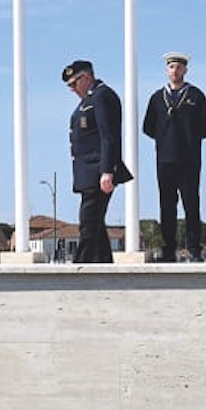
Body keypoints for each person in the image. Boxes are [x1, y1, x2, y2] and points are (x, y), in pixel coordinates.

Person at [141, 51, 206, 262]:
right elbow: (147, 127)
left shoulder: (195, 96)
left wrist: (191, 138)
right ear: (167, 70)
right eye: (171, 67)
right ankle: (168, 249)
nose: (175, 71)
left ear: (185, 70)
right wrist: (165, 138)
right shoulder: (157, 98)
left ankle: (194, 248)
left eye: (179, 67)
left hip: (189, 159)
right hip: (165, 158)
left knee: (191, 204)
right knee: (167, 205)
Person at [63, 59, 122, 263]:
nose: (72, 89)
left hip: (98, 171)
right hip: (88, 173)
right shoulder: (88, 100)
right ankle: (104, 265)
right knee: (96, 225)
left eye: (73, 84)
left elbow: (108, 136)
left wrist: (107, 171)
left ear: (86, 77)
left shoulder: (101, 96)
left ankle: (80, 267)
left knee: (88, 224)